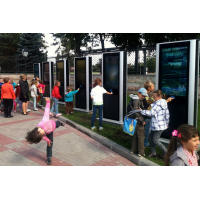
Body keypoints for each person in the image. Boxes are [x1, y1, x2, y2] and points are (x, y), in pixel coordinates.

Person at [25, 97, 64, 165]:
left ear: (39, 130)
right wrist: (47, 140)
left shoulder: (44, 121)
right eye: (41, 136)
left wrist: (48, 102)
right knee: (50, 144)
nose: (43, 135)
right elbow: (43, 136)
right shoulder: (39, 133)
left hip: (53, 124)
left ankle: (59, 123)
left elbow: (46, 111)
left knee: (58, 123)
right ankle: (49, 157)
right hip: (50, 132)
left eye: (42, 133)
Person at [143, 81, 174, 147]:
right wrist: (167, 101)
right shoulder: (150, 95)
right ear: (149, 88)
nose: (154, 87)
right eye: (153, 86)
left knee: (149, 133)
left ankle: (149, 147)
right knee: (148, 132)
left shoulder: (146, 94)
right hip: (149, 117)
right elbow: (157, 104)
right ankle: (146, 143)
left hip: (149, 117)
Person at [140, 90, 170, 159]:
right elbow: (167, 115)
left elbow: (151, 113)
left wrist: (141, 111)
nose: (153, 98)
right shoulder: (164, 103)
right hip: (157, 125)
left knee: (155, 140)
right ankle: (153, 152)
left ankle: (167, 152)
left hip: (158, 126)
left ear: (159, 97)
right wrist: (167, 123)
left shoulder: (159, 104)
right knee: (150, 138)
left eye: (154, 97)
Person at [130, 88, 148, 157]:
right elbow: (136, 112)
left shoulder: (136, 99)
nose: (144, 97)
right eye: (143, 95)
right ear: (139, 93)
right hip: (138, 121)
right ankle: (141, 152)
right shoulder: (137, 100)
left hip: (135, 120)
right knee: (141, 136)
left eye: (144, 96)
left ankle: (133, 150)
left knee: (136, 136)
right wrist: (142, 121)